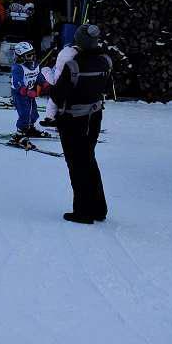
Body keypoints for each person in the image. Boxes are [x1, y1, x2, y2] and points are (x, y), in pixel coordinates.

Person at [52, 23, 112, 224]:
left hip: (72, 120)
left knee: (77, 164)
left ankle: (83, 211)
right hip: (94, 116)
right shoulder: (105, 61)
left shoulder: (73, 65)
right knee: (89, 159)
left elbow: (58, 95)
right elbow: (107, 87)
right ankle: (99, 208)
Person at [10, 41, 51, 137]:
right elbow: (17, 82)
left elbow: (38, 75)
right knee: (24, 113)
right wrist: (25, 91)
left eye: (33, 54)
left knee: (33, 112)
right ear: (21, 57)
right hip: (19, 94)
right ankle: (20, 132)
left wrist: (44, 83)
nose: (32, 57)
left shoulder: (34, 65)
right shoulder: (18, 68)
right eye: (29, 56)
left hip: (30, 92)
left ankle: (30, 127)